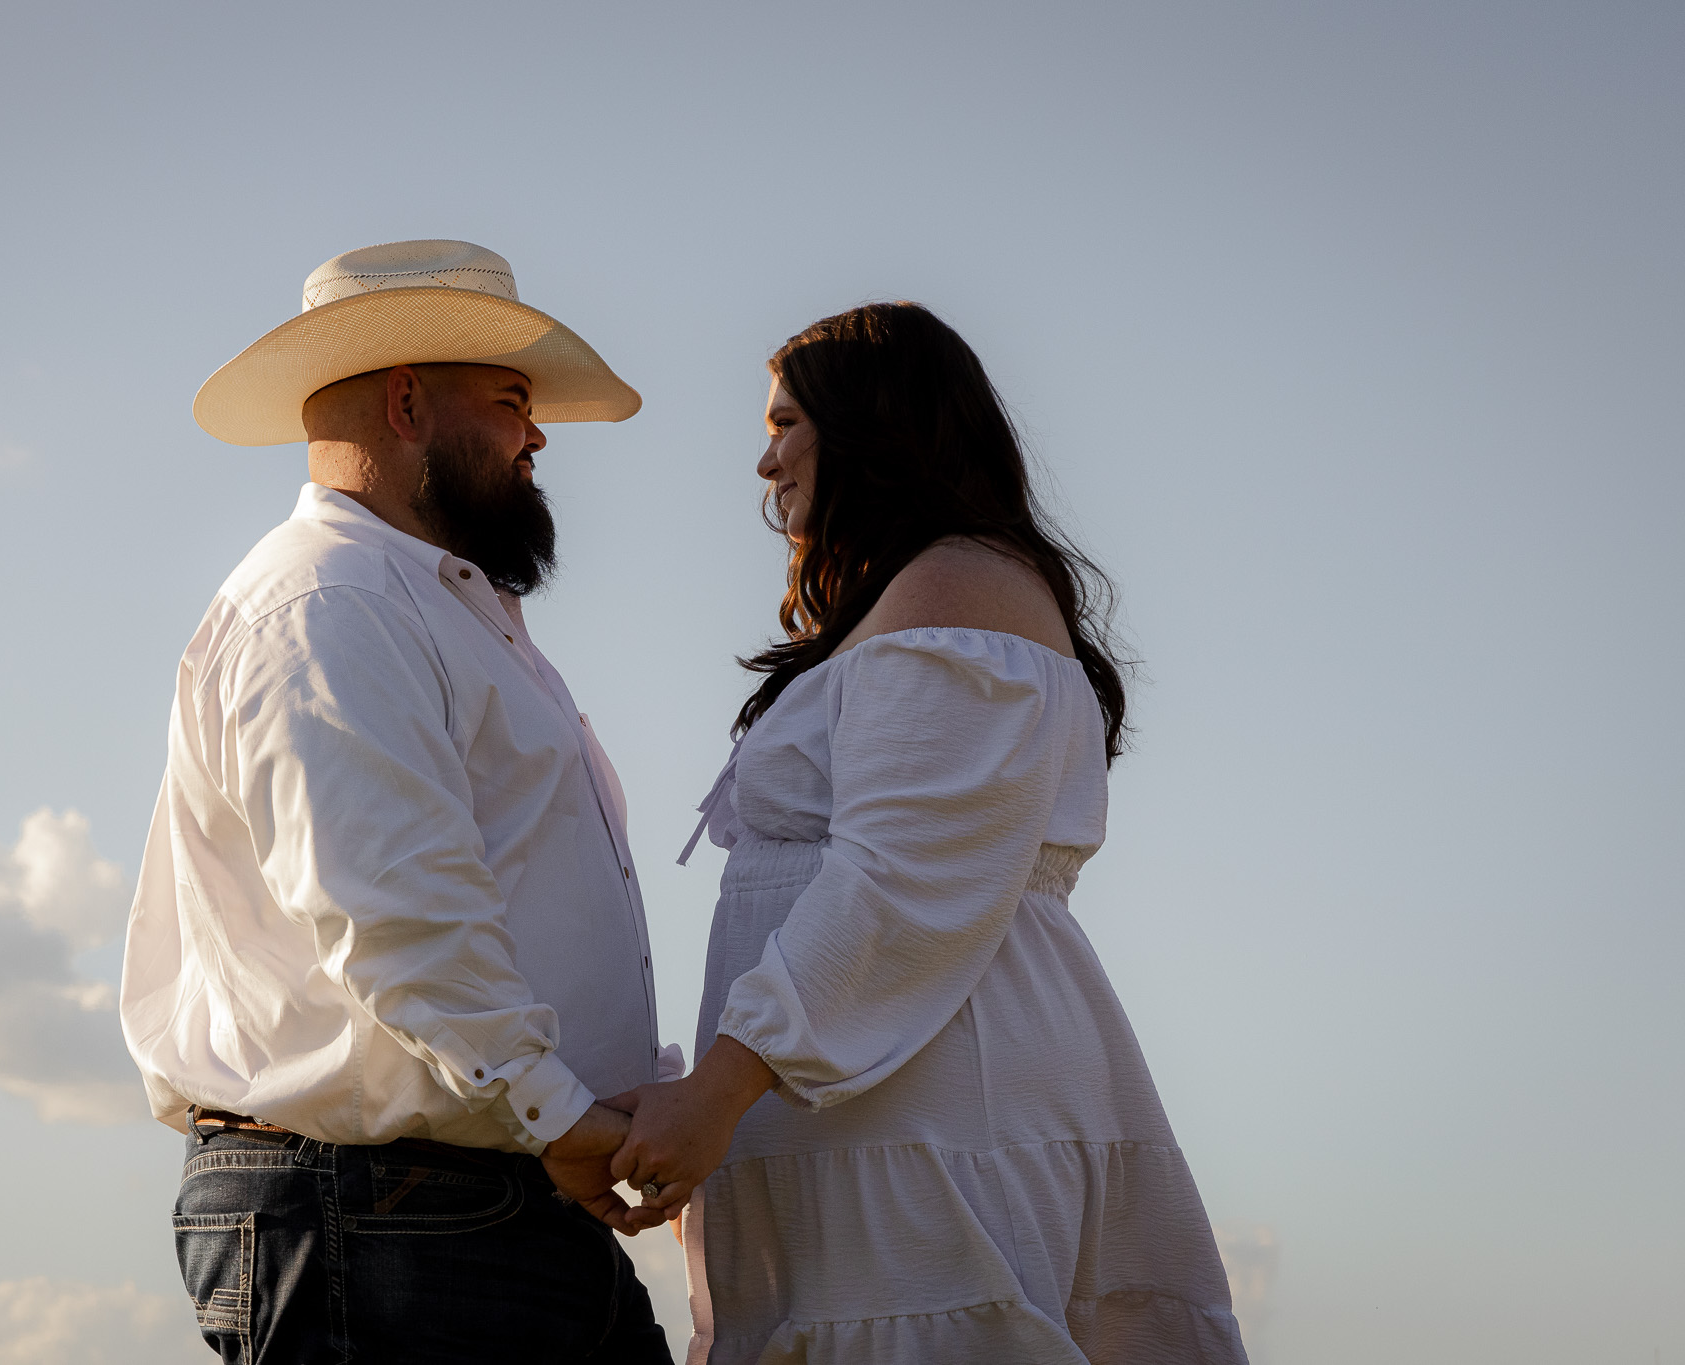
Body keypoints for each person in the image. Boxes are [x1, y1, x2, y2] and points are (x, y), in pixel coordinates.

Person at [607, 302, 1250, 1363]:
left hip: (933, 1089)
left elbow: (897, 880)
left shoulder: (960, 586)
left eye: (784, 425)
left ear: (870, 427)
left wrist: (719, 1092)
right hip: (858, 1086)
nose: (765, 464)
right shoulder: (914, 597)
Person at [120, 239, 678, 1364]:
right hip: (393, 1215)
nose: (537, 437)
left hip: (453, 1201)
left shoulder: (412, 605)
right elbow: (390, 904)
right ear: (408, 401)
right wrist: (560, 1113)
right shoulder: (332, 602)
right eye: (514, 401)